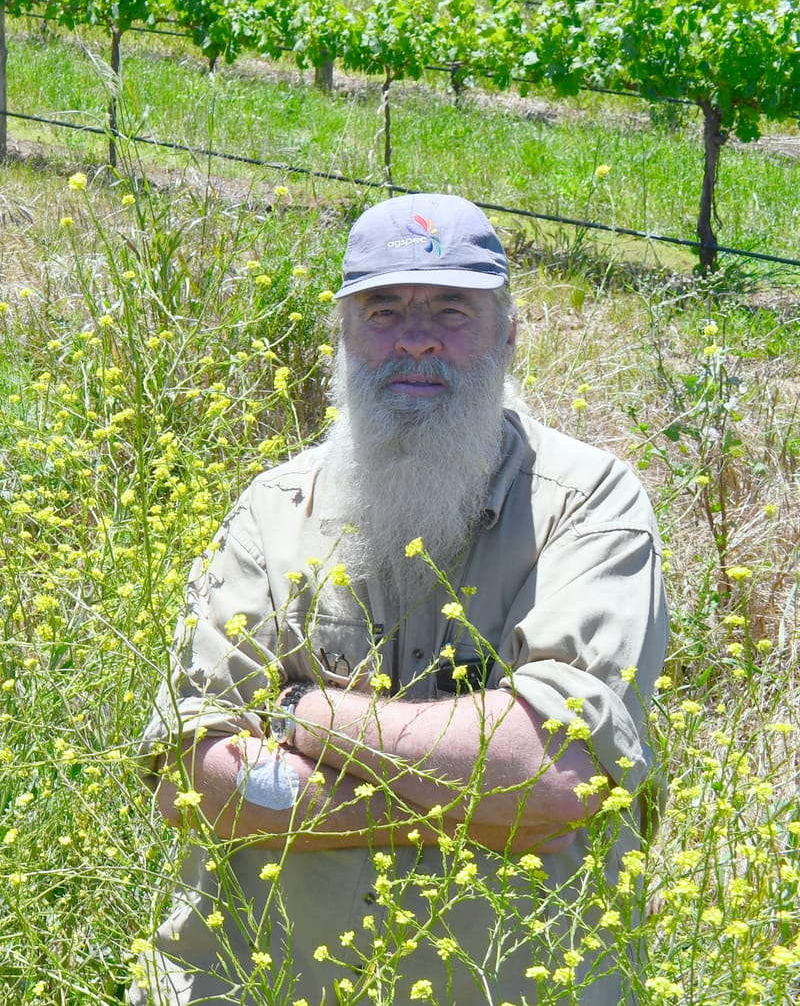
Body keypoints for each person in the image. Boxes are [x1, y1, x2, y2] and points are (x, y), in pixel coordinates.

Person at [131, 193, 667, 1006]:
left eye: (452, 309)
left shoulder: (590, 503)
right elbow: (193, 780)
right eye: (384, 310)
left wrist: (309, 717)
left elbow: (553, 779)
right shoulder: (274, 512)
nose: (416, 336)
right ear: (343, 337)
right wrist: (469, 801)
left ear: (510, 333)